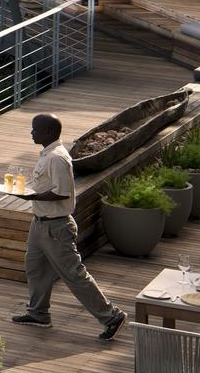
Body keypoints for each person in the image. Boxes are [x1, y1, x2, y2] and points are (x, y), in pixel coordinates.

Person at [12, 113, 126, 341]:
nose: (31, 132)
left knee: (74, 274)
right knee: (35, 269)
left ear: (48, 133)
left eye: (35, 129)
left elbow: (61, 193)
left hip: (56, 227)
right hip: (40, 224)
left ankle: (111, 316)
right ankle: (38, 313)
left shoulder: (57, 158)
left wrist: (31, 196)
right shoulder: (47, 154)